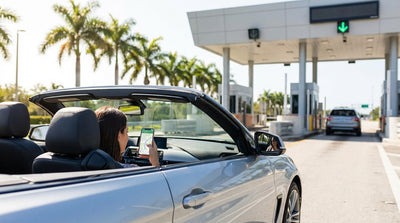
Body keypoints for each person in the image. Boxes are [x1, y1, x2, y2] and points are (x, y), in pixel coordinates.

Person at [95, 106, 160, 168]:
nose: (128, 137)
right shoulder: (132, 170)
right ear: (119, 135)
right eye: (126, 132)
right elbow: (158, 178)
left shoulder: (86, 165)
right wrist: (155, 162)